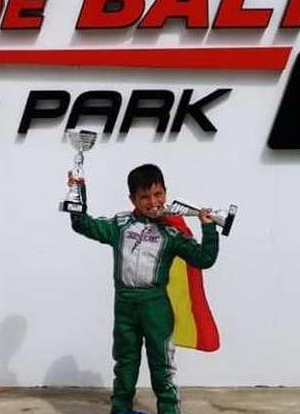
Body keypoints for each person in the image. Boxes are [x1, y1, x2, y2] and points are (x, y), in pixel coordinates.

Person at [68, 163, 219, 414]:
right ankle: (121, 409)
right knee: (125, 363)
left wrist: (208, 227)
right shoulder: (120, 225)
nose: (153, 201)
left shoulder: (171, 232)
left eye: (158, 194)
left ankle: (169, 411)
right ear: (133, 199)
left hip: (156, 305)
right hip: (125, 304)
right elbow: (82, 224)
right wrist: (77, 189)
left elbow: (204, 259)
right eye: (145, 197)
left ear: (166, 193)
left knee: (163, 367)